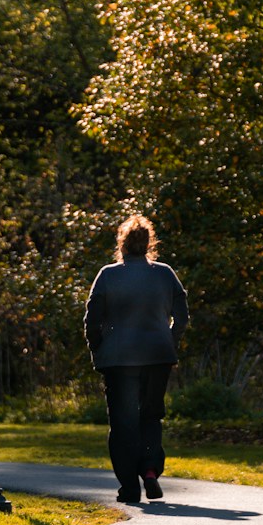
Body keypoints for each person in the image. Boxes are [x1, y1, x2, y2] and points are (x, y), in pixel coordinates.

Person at [83, 214, 188, 504]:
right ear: (149, 244)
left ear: (122, 244)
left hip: (118, 359)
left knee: (123, 423)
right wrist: (170, 339)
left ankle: (129, 486)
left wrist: (98, 348)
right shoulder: (165, 274)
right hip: (157, 355)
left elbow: (91, 318)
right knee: (151, 416)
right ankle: (151, 470)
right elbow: (182, 314)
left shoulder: (108, 274)